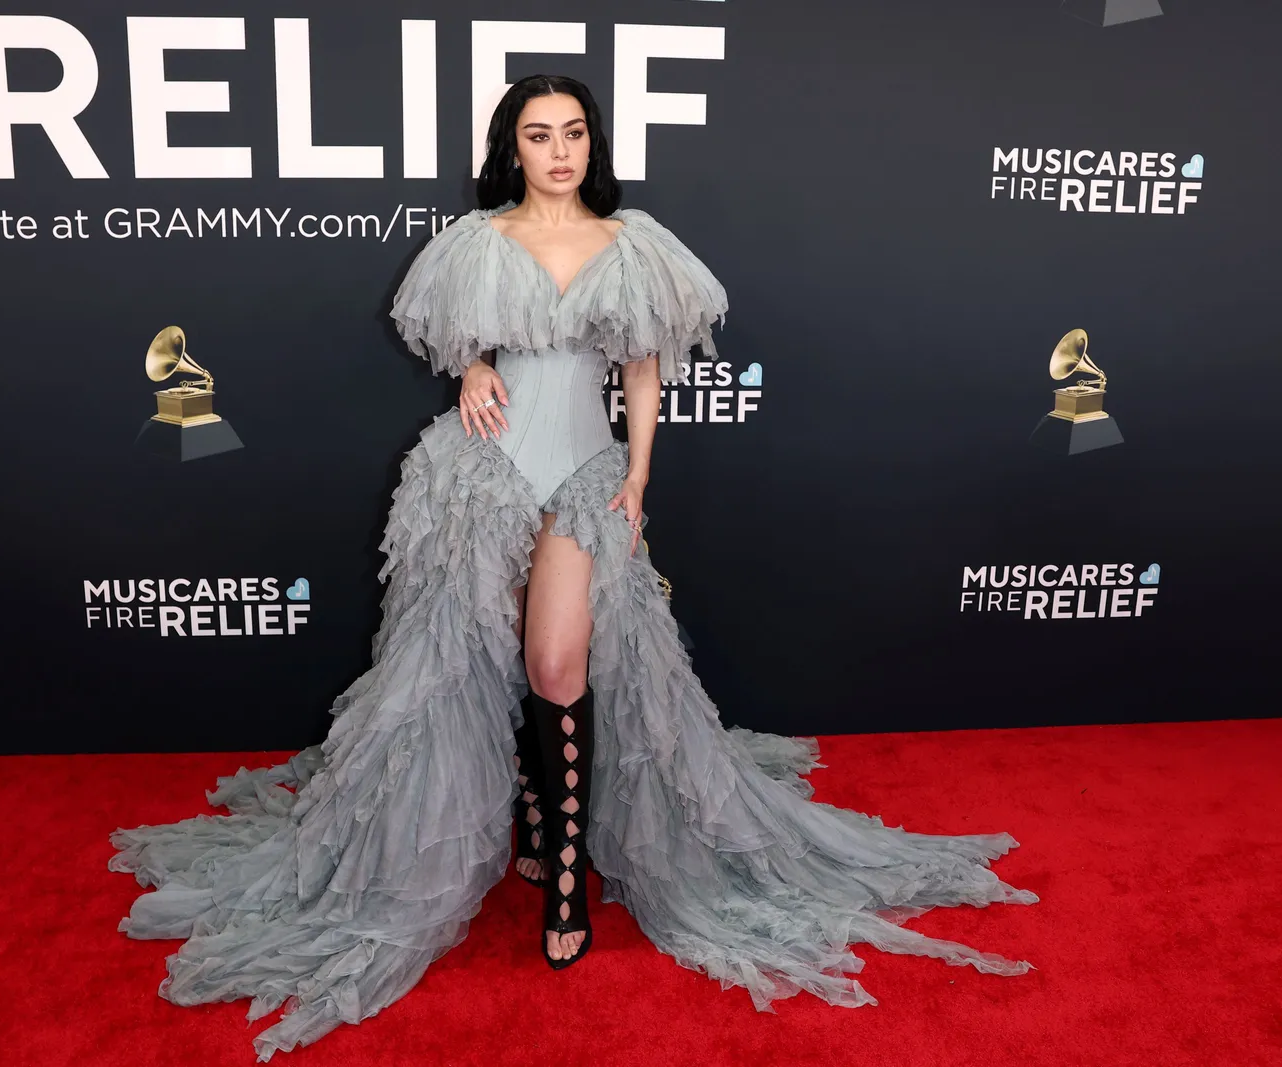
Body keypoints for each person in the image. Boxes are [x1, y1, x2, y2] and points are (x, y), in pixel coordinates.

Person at [108, 74, 1038, 1061]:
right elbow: (463, 342)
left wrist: (636, 479)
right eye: (538, 134)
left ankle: (562, 865)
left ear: (593, 143)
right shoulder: (476, 241)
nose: (558, 150)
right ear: (513, 146)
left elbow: (640, 370)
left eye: (574, 132)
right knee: (457, 668)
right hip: (479, 475)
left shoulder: (630, 242)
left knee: (558, 664)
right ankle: (528, 824)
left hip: (586, 473)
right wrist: (469, 365)